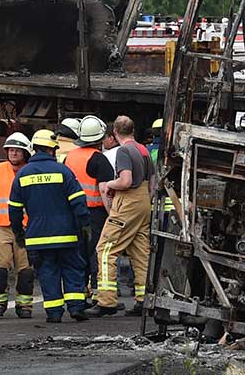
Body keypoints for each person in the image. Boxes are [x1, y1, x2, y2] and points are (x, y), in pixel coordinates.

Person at [9, 129, 91, 323]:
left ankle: (54, 313)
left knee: (47, 273)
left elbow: (14, 210)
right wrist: (85, 225)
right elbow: (78, 201)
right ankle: (76, 307)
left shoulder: (22, 174)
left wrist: (19, 233)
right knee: (72, 269)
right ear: (51, 149)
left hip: (37, 237)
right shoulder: (63, 171)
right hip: (66, 234)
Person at [85, 115, 152, 318]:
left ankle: (106, 301)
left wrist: (110, 185)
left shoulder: (124, 151)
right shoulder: (143, 150)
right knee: (141, 253)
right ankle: (144, 300)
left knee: (105, 249)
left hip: (128, 202)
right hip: (144, 201)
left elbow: (125, 181)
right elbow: (152, 181)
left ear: (114, 133)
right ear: (133, 130)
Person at [0, 132, 35, 318]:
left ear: (25, 152)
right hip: (0, 227)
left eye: (17, 150)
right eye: (11, 150)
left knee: (26, 270)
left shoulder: (31, 171)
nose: (13, 153)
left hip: (25, 228)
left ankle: (24, 305)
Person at [63, 116, 115, 298]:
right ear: (100, 138)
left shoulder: (69, 157)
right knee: (97, 252)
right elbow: (104, 190)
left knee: (77, 252)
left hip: (72, 212)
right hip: (95, 213)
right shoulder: (99, 159)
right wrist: (112, 214)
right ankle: (98, 292)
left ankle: (79, 291)